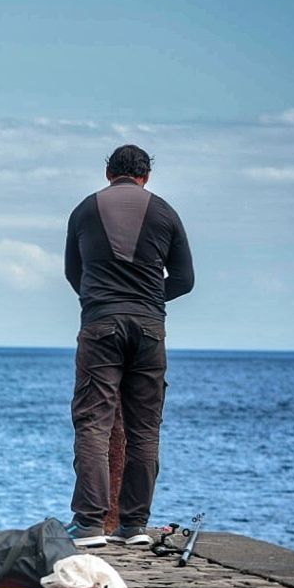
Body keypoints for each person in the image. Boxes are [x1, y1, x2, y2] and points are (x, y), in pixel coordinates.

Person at [64, 145, 195, 547]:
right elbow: (185, 279)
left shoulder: (85, 210)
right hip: (150, 329)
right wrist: (150, 300)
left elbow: (74, 272)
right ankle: (133, 525)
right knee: (145, 428)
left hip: (101, 324)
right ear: (147, 176)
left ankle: (88, 524)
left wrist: (100, 302)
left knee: (93, 423)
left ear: (108, 172)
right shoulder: (165, 212)